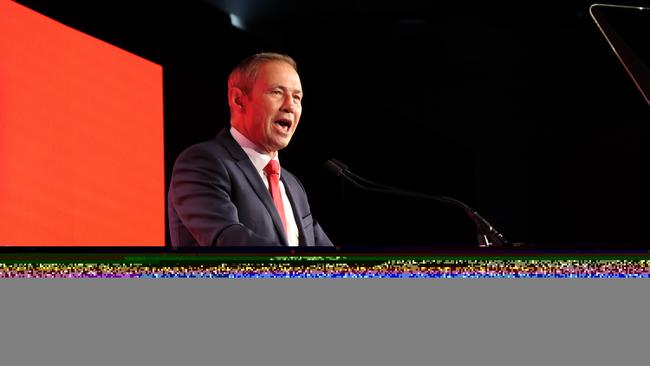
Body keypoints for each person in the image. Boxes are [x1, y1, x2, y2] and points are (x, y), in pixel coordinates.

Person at [168, 52, 333, 247]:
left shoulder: (293, 185)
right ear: (238, 100)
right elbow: (227, 240)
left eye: (297, 97)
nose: (290, 106)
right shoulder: (202, 162)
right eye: (277, 92)